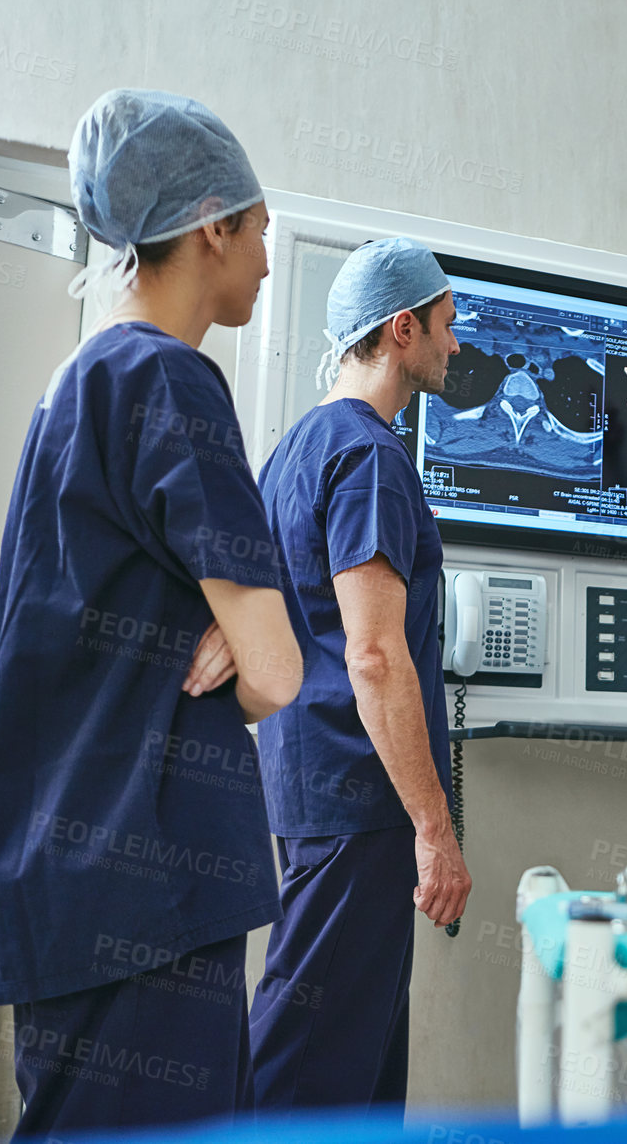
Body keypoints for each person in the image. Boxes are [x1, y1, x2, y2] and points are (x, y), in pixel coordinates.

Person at [0, 89, 302, 1139]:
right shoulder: (172, 379)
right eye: (259, 230)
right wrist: (240, 642)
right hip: (149, 883)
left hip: (78, 872)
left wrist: (212, 635)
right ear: (212, 224)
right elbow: (281, 670)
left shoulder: (77, 382)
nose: (264, 256)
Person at [249, 237, 471, 1108]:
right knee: (306, 1062)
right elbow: (372, 656)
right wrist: (433, 828)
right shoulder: (369, 457)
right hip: (357, 798)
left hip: (315, 787)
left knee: (358, 1067)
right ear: (403, 329)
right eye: (447, 328)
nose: (457, 347)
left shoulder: (298, 448)